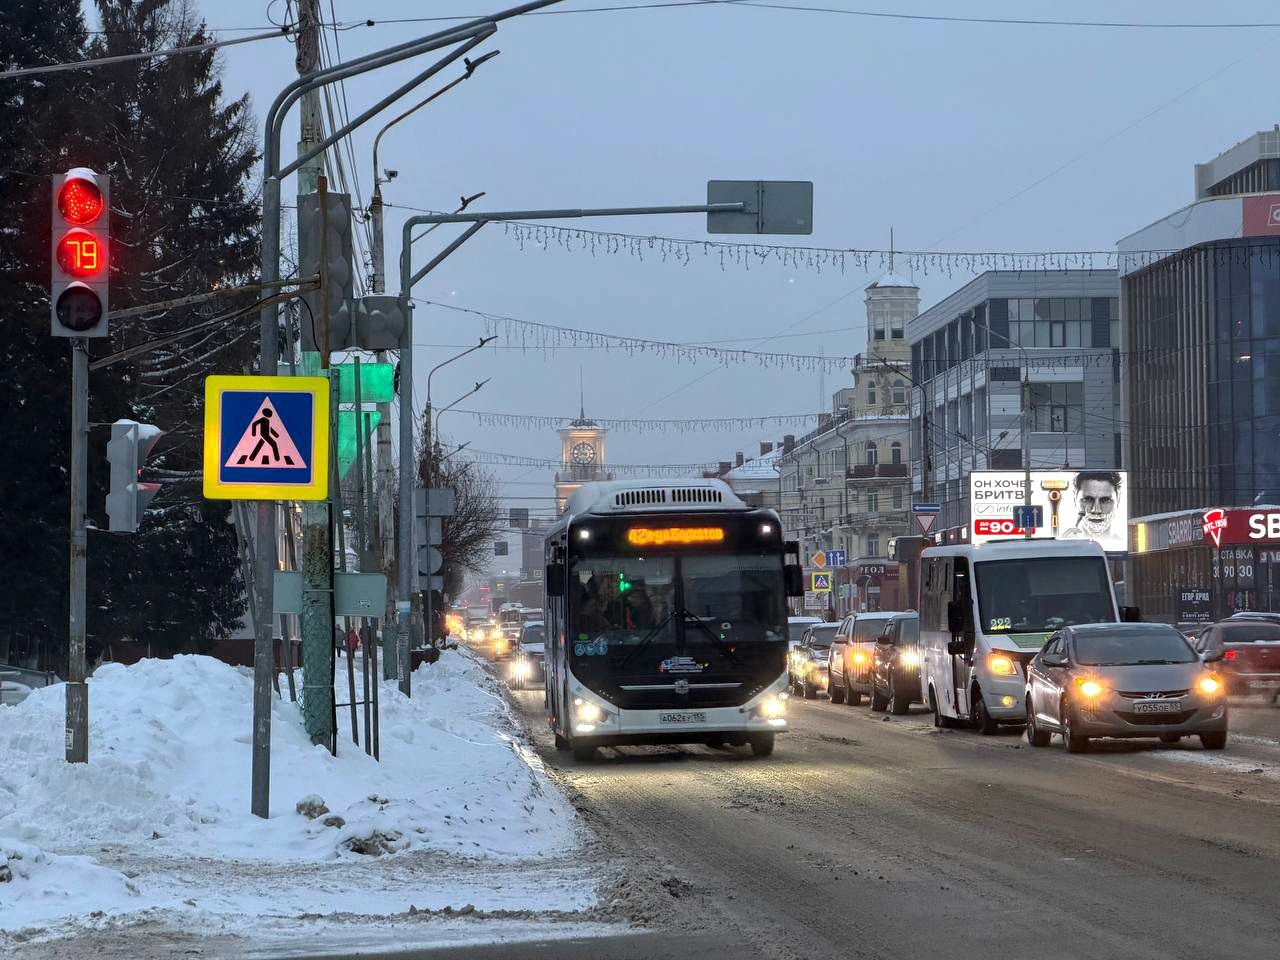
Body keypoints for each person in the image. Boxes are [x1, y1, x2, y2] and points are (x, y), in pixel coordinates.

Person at [1061, 470, 1122, 543]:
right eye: (1088, 499)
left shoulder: (1125, 544)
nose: (1096, 510)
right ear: (1075, 498)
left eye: (1105, 500)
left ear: (1118, 499)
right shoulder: (1064, 543)